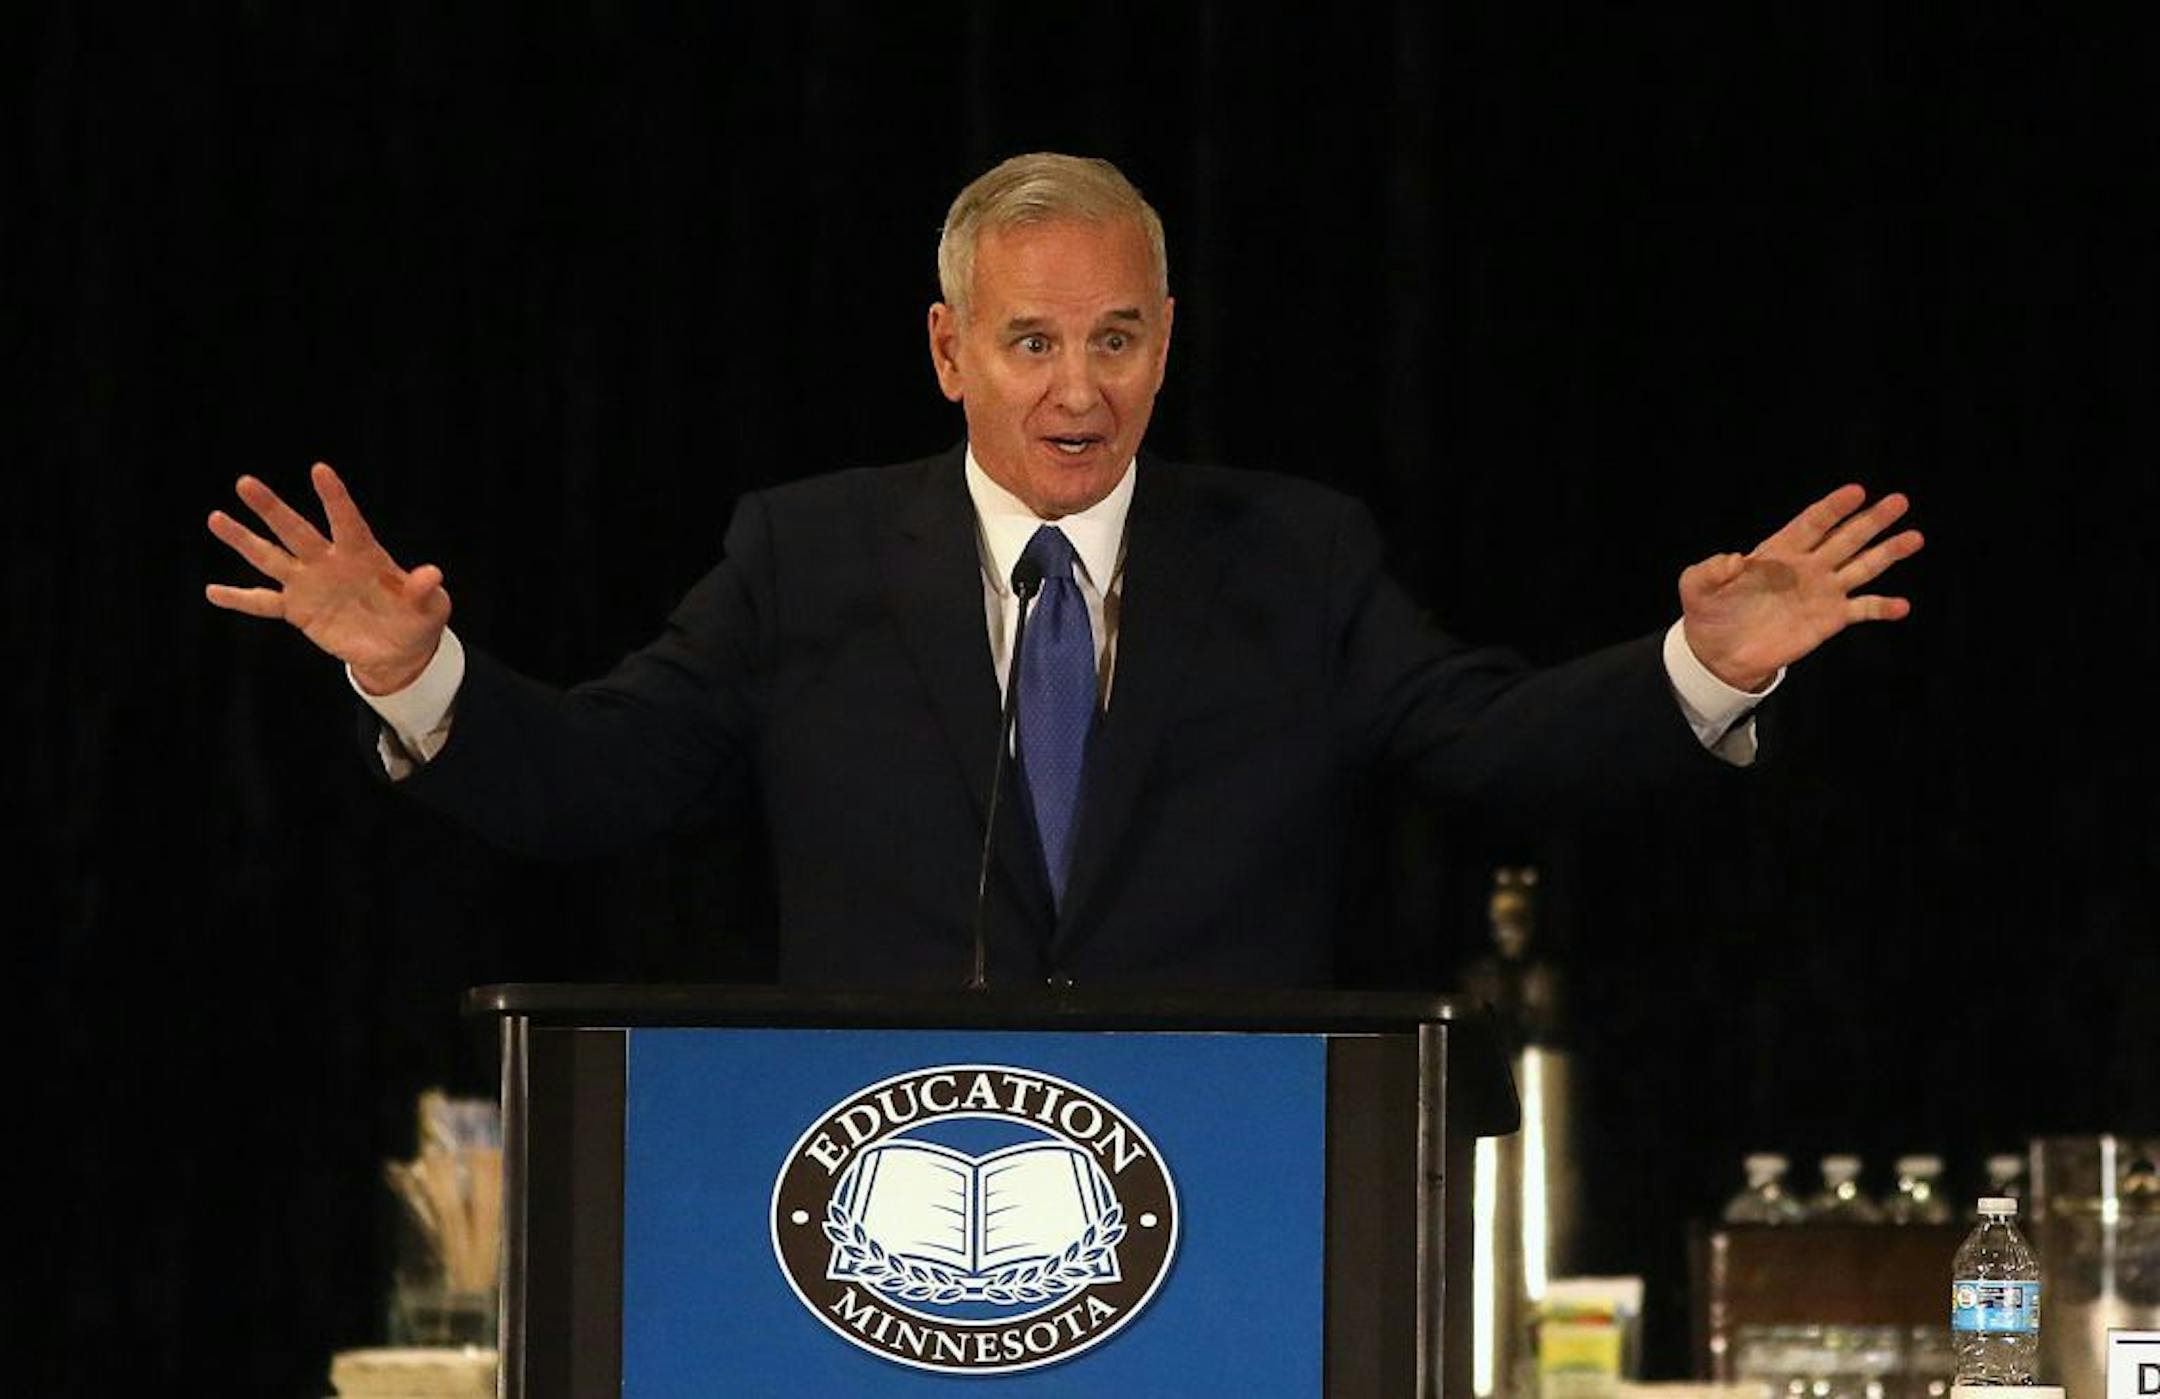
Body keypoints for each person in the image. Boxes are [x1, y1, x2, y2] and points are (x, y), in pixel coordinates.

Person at [205, 153, 1922, 989]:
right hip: (878, 1220)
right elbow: (601, 778)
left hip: (1216, 1200)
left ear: (1168, 343)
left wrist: (1710, 670)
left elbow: (1486, 747)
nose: (1077, 387)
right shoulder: (804, 552)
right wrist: (411, 675)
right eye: (1031, 341)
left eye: (1114, 338)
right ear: (950, 352)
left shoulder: (1293, 550)